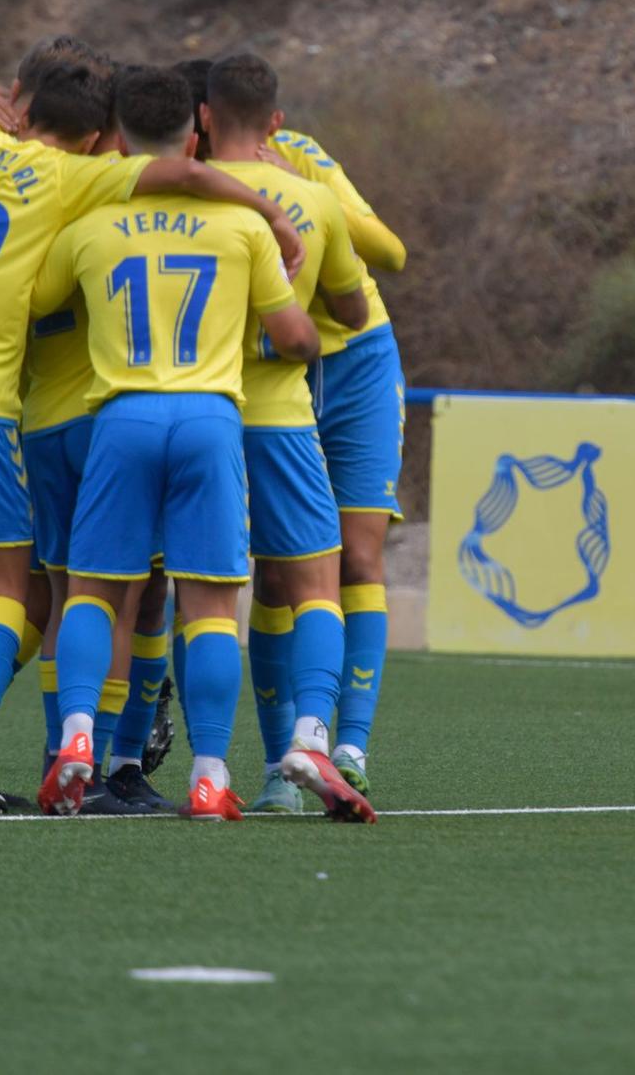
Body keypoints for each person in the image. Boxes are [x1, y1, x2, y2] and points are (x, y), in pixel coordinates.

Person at [0, 61, 306, 813]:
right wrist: (275, 213)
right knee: (34, 589)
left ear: (22, 106)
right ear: (100, 134)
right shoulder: (79, 180)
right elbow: (186, 180)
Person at [29, 64, 324, 820]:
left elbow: (35, 307)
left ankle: (77, 741)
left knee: (95, 592)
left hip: (121, 416)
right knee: (212, 610)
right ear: (193, 135)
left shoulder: (88, 228)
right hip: (208, 418)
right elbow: (293, 337)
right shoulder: (243, 226)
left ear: (120, 137)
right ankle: (211, 775)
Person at [214, 58, 407, 800]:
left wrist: (315, 197)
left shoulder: (304, 156)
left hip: (355, 360)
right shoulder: (194, 176)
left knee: (357, 557)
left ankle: (348, 746)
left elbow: (389, 252)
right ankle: (279, 768)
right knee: (277, 569)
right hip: (270, 374)